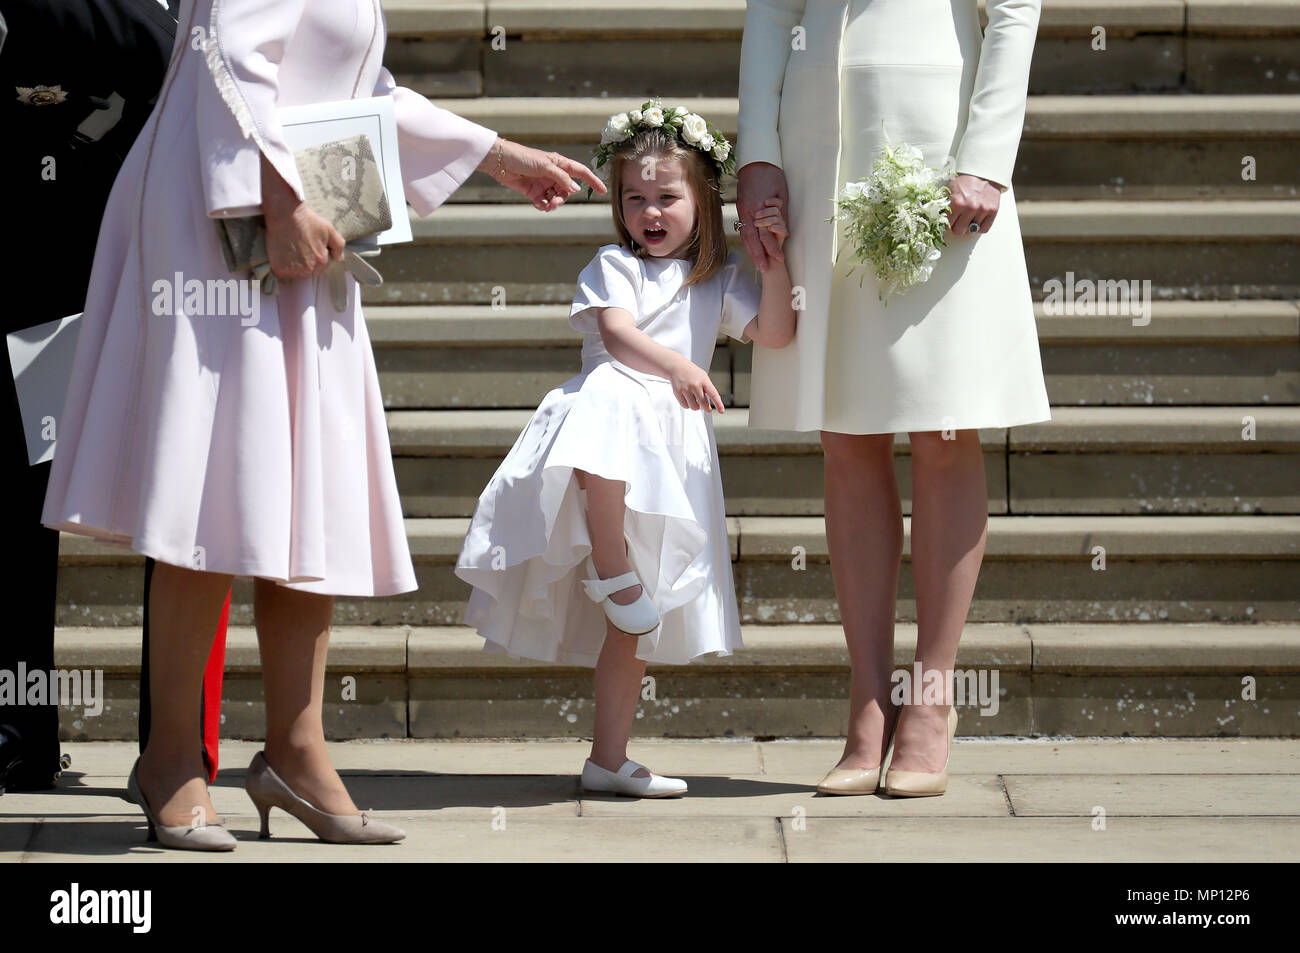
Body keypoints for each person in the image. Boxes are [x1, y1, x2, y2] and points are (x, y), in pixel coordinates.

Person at [39, 0, 604, 850]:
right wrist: (278, 199)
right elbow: (228, 56)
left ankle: (296, 751)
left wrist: (496, 155)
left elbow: (356, 89)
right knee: (212, 485)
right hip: (222, 225)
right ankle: (169, 761)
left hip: (293, 213)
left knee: (301, 479)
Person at [736, 0, 1051, 796]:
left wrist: (985, 154)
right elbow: (772, 9)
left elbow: (1014, 8)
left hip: (939, 145)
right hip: (815, 148)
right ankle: (868, 701)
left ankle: (932, 698)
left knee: (943, 426)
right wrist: (757, 150)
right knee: (844, 434)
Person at [456, 105, 797, 797]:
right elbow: (616, 337)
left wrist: (774, 259)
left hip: (666, 455)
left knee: (632, 627)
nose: (649, 211)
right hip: (605, 432)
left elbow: (778, 333)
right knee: (614, 384)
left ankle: (607, 756)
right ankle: (609, 564)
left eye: (667, 197)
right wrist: (676, 366)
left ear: (704, 202)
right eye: (634, 197)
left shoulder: (715, 279)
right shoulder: (614, 264)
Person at [0, 0, 229, 793]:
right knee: (22, 505)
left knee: (187, 506)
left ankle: (174, 746)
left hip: (174, 271)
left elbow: (188, 54)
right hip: (43, 260)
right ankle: (17, 730)